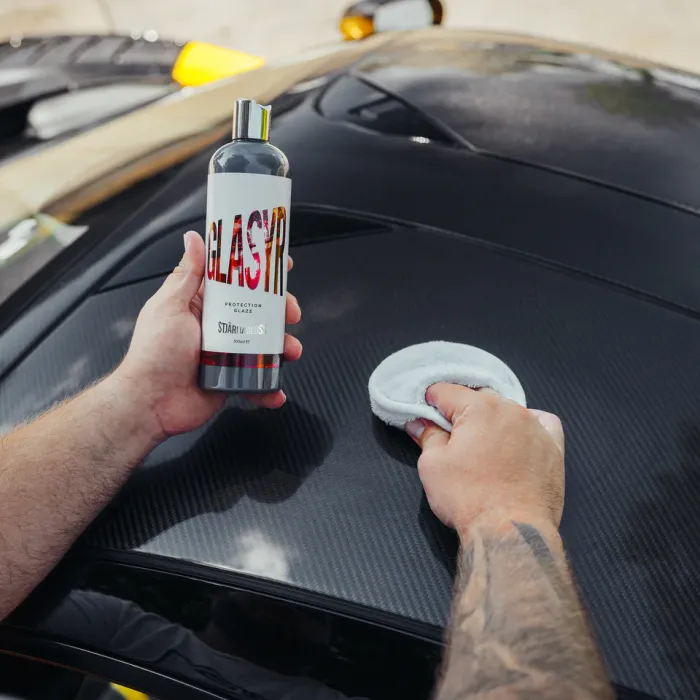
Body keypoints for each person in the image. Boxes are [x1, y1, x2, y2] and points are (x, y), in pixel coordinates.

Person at [0, 231, 613, 699]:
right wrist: (506, 514)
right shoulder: (113, 633)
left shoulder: (112, 633)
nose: (276, 601)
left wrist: (140, 401)